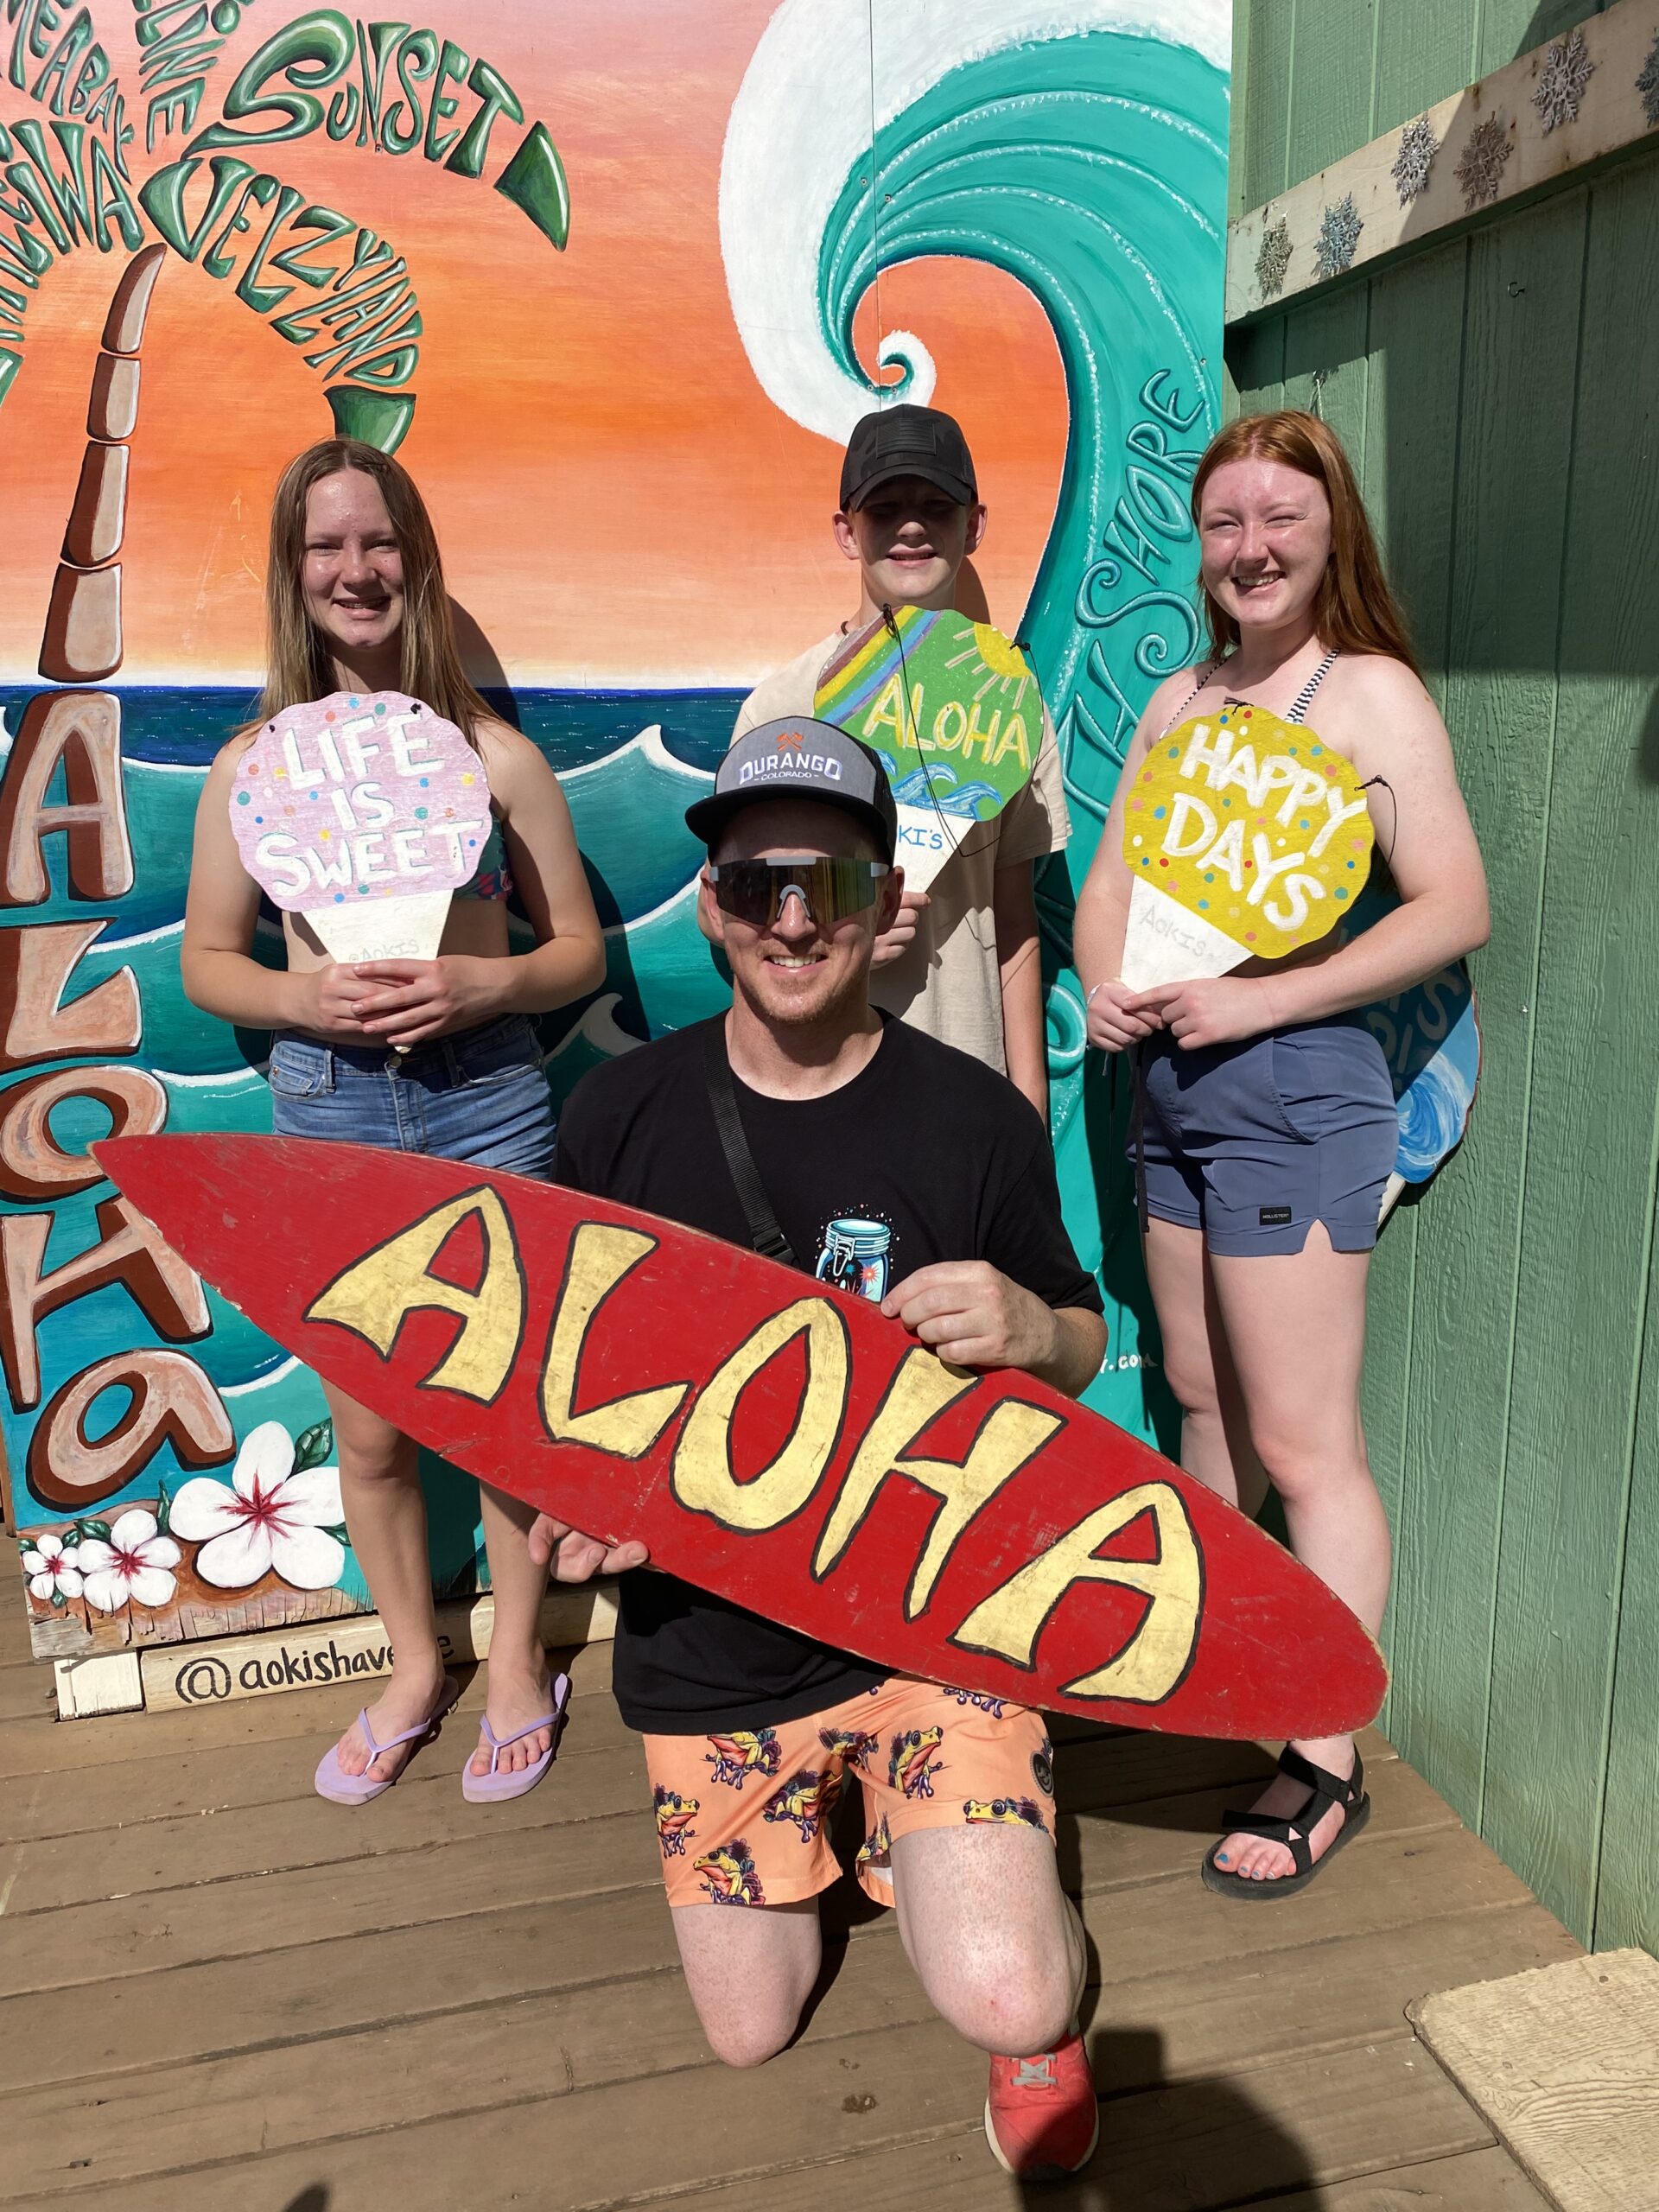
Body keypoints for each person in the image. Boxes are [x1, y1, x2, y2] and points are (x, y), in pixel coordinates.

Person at [533, 720, 1109, 2180]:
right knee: (749, 2026)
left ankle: (954, 1839)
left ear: (884, 899)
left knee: (1011, 1989)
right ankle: (879, 1830)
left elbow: (1085, 1338)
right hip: (712, 1646)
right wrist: (577, 1511)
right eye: (760, 883)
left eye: (834, 883)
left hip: (932, 1623)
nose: (796, 918)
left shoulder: (972, 1115)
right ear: (716, 903)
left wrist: (1033, 1331)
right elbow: (558, 1388)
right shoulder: (617, 1116)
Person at [1073, 411, 1490, 1896]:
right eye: (1225, 522)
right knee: (1201, 1402)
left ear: (1331, 539)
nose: (1249, 549)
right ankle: (1223, 1666)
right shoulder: (1179, 700)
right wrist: (1104, 978)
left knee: (1309, 1449)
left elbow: (1452, 907)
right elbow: (1111, 879)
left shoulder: (1368, 697)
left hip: (1299, 1094)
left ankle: (1322, 1760)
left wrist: (1265, 997)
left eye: (1280, 521)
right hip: (1174, 1096)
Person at [182, 438, 606, 1806]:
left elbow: (579, 954)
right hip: (334, 1109)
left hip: (488, 1099)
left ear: (415, 560)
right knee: (368, 1432)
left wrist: (490, 979)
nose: (355, 570)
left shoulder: (494, 757)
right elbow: (208, 965)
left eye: (378, 543)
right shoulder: (253, 769)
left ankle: (523, 1664)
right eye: (327, 548)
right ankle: (416, 1667)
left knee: (498, 1419)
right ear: (293, 575)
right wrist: (306, 1000)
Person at [726, 404, 1070, 1122]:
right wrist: (827, 929)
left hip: (966, 1083)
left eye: (935, 507)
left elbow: (1016, 917)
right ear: (846, 532)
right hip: (810, 1083)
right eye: (884, 509)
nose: (911, 527)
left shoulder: (1011, 702)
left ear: (973, 526)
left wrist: (1027, 1102)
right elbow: (722, 908)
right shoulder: (779, 706)